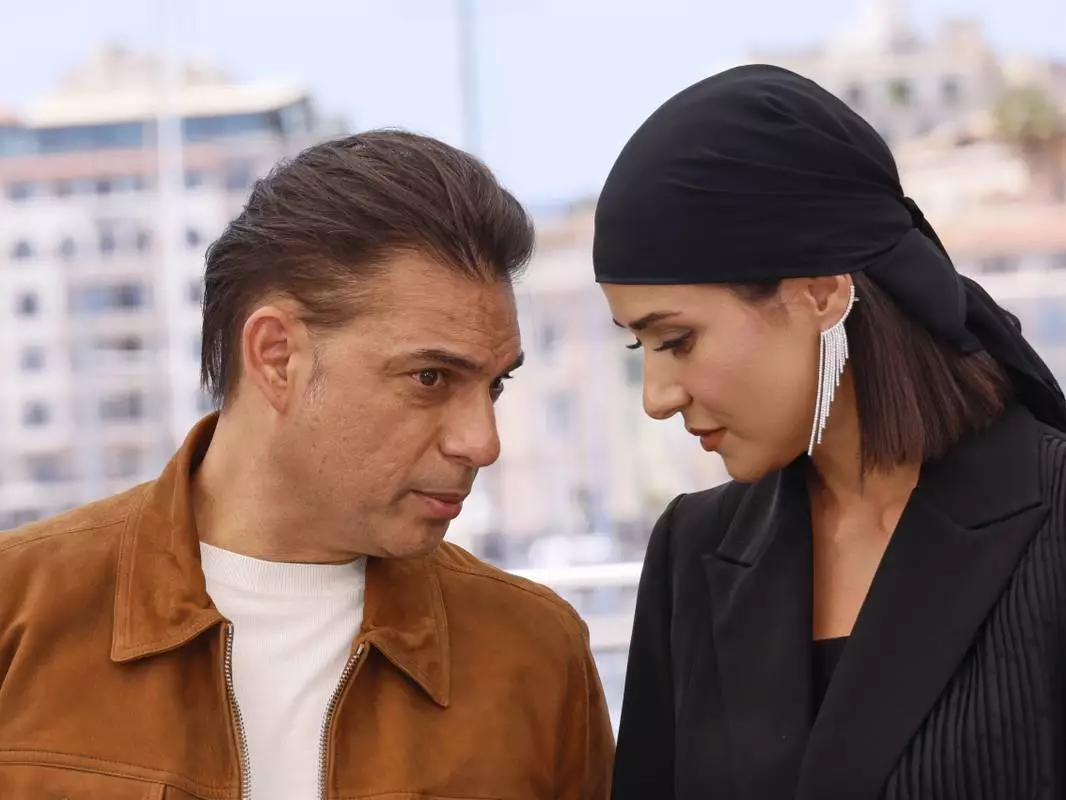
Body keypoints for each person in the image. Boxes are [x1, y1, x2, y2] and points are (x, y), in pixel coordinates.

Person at [593, 64, 1066, 799]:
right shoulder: (692, 554)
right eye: (641, 349)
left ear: (819, 293)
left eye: (678, 340)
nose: (657, 398)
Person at [0, 130, 613, 799]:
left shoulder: (535, 654)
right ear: (276, 356)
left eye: (494, 386)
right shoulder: (19, 611)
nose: (482, 442)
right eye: (431, 378)